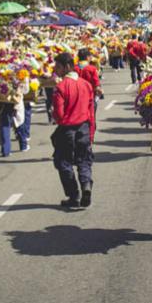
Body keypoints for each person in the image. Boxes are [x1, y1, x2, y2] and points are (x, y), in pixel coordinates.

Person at [50, 52, 95, 209]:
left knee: (64, 162)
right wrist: (91, 132)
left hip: (67, 129)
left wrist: (54, 114)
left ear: (67, 66)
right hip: (84, 127)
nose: (56, 70)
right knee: (84, 160)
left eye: (58, 67)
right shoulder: (86, 85)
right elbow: (91, 112)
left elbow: (59, 115)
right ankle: (86, 186)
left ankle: (74, 195)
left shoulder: (61, 87)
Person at [77, 48, 103, 113]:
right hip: (89, 94)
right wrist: (100, 91)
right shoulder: (91, 68)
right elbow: (96, 83)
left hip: (76, 94)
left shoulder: (75, 68)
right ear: (87, 57)